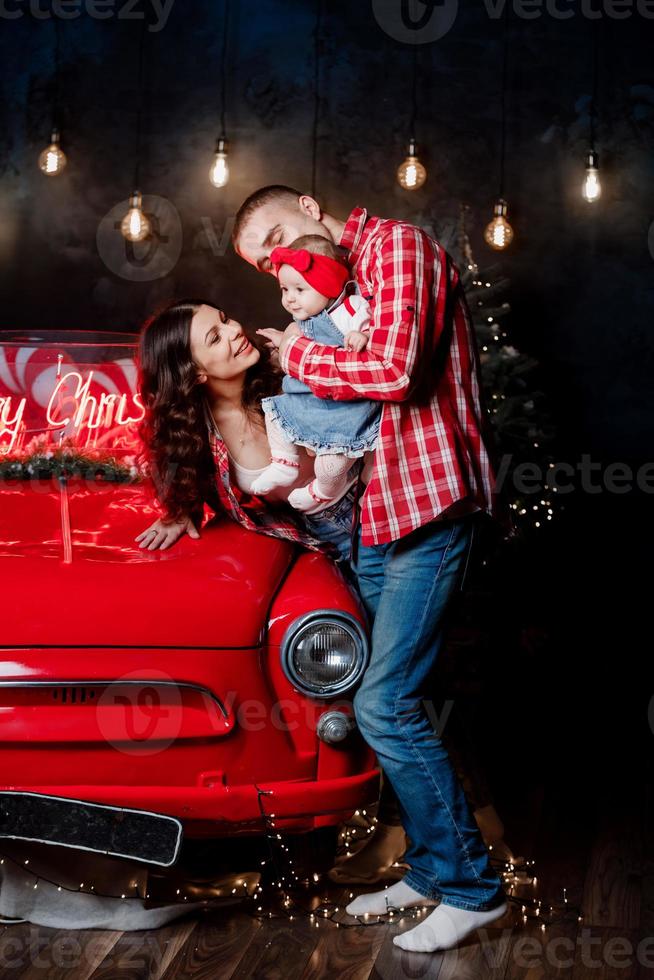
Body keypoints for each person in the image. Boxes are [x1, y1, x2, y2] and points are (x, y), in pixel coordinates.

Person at [233, 186, 509, 953]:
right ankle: (427, 869)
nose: (283, 263)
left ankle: (473, 888)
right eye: (267, 263)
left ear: (315, 207)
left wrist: (295, 355)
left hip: (427, 506)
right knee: (396, 701)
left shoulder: (397, 250)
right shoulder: (334, 288)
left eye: (284, 237)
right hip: (377, 514)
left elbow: (394, 373)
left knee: (387, 704)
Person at [134, 298, 357, 568]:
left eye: (225, 319)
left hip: (372, 498)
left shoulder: (286, 365)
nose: (235, 329)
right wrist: (182, 512)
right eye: (215, 337)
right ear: (194, 373)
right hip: (324, 539)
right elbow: (185, 477)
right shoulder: (197, 436)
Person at [252, 235, 381, 513]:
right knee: (275, 413)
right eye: (285, 289)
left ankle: (323, 490)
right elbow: (296, 336)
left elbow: (374, 331)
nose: (290, 299)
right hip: (309, 400)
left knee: (331, 462)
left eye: (300, 289)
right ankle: (284, 463)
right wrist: (282, 336)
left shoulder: (352, 308)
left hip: (345, 411)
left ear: (329, 285)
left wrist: (362, 335)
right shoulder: (306, 317)